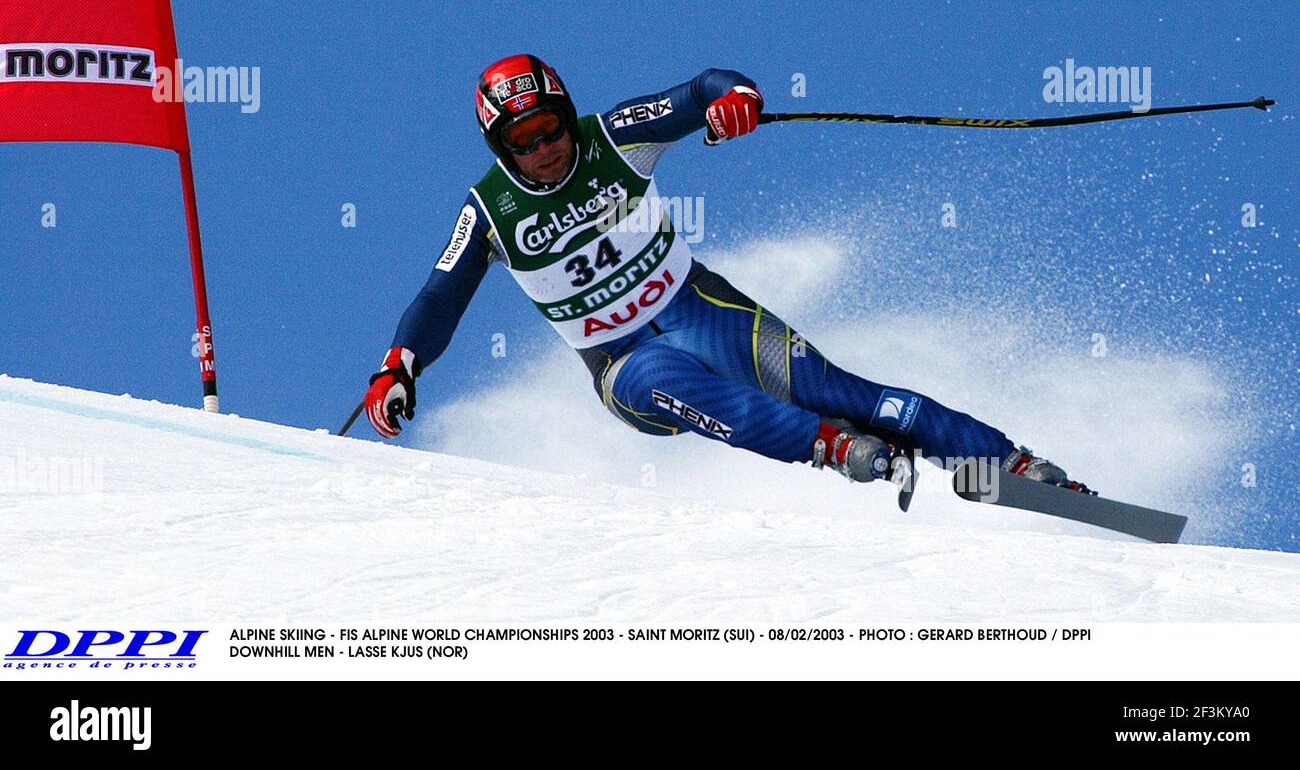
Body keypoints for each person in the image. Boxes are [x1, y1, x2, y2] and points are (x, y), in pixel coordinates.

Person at [364, 54, 1090, 493]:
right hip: (624, 364)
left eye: (551, 128)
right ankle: (828, 446)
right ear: (501, 147)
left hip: (698, 307)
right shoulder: (489, 210)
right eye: (524, 142)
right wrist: (400, 366)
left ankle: (1011, 462)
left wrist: (735, 98)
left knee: (840, 389)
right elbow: (439, 296)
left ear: (566, 115)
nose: (546, 150)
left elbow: (701, 87)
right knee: (667, 382)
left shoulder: (613, 138)